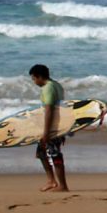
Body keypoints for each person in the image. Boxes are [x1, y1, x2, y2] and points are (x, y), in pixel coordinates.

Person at [29, 64, 69, 192]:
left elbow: (49, 110)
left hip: (53, 128)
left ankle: (62, 186)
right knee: (41, 152)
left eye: (34, 79)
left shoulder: (48, 88)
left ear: (40, 77)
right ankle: (51, 181)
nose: (34, 82)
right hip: (58, 125)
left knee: (55, 154)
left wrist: (46, 132)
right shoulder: (56, 84)